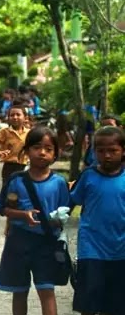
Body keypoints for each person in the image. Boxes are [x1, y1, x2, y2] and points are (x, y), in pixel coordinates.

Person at [0, 126, 67, 315]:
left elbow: (65, 211)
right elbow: (2, 207)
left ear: (55, 155)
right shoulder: (16, 180)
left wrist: (55, 221)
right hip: (18, 241)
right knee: (19, 291)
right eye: (36, 147)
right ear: (26, 151)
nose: (42, 152)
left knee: (46, 290)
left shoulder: (59, 183)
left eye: (48, 149)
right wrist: (22, 215)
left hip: (46, 243)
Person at [70, 126, 125, 315]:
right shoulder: (88, 175)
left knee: (116, 303)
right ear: (94, 152)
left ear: (123, 151)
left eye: (113, 150)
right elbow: (72, 201)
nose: (107, 155)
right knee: (89, 301)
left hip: (120, 249)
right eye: (101, 151)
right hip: (91, 247)